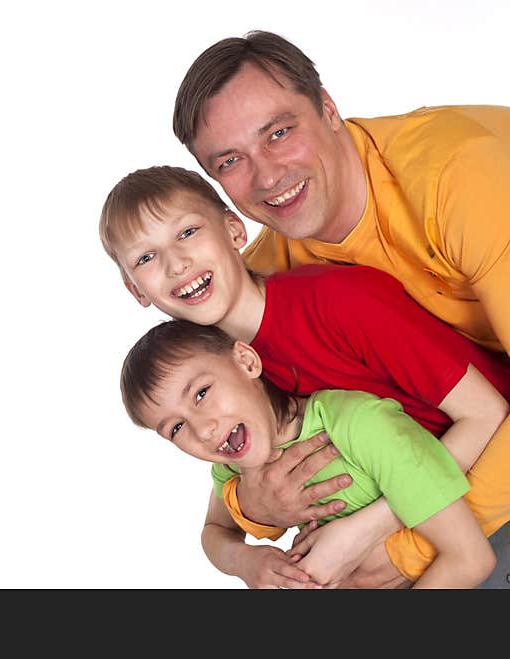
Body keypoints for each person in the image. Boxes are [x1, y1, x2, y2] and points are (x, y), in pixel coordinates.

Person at [171, 30, 510, 587]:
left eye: (279, 132)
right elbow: (245, 429)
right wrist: (254, 506)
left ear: (328, 109)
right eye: (230, 160)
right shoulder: (266, 281)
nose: (268, 175)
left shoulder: (459, 179)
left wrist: (406, 548)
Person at [99, 164, 510, 587]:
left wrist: (366, 533)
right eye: (146, 258)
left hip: (491, 499)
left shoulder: (339, 303)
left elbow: (489, 413)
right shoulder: (214, 377)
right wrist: (248, 547)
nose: (175, 263)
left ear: (235, 231)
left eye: (187, 233)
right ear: (136, 291)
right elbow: (223, 520)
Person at [119, 319, 496, 589]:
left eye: (201, 393)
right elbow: (215, 532)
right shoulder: (233, 465)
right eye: (176, 428)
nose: (203, 429)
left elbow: (471, 560)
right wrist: (245, 562)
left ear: (247, 362)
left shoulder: (357, 424)